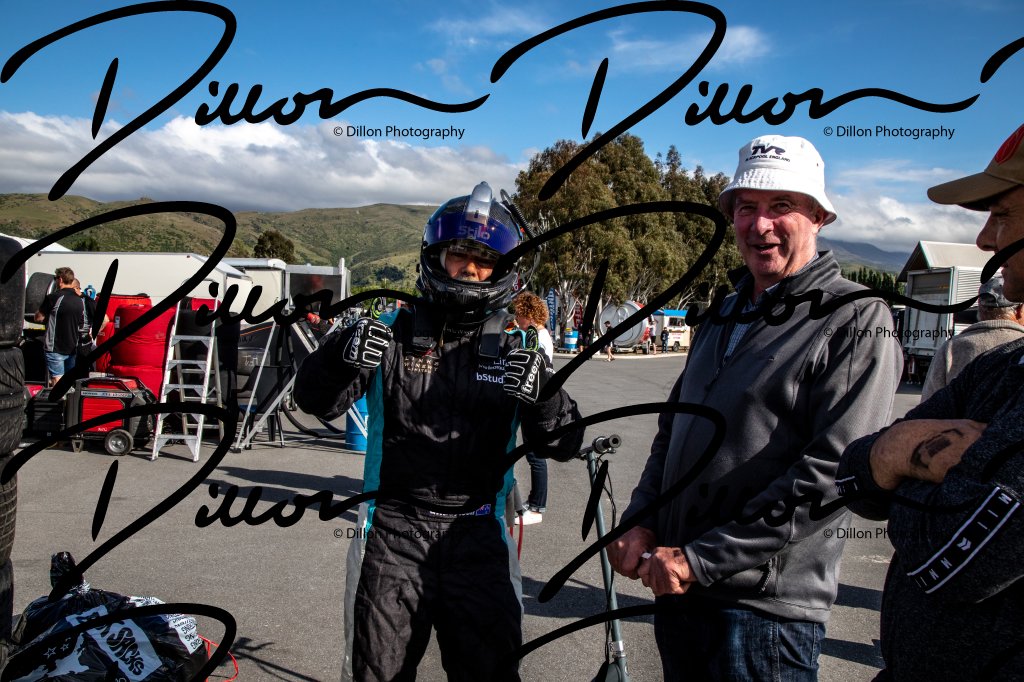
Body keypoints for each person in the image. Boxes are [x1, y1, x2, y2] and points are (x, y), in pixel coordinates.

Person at [608, 135, 903, 681]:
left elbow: (830, 474)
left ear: (819, 216)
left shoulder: (856, 319)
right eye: (746, 207)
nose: (760, 224)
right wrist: (643, 520)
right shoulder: (722, 313)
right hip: (681, 592)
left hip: (763, 615)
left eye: (781, 206)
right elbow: (673, 431)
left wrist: (703, 558)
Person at [294, 182, 583, 682]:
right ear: (436, 257)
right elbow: (314, 400)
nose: (470, 269)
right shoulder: (389, 331)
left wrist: (546, 397)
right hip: (390, 532)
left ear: (504, 270)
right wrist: (339, 356)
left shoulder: (517, 348)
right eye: (459, 255)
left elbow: (564, 444)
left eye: (484, 260)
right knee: (375, 674)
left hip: (481, 533)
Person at [838, 121, 1024, 680]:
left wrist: (897, 461)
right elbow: (850, 477)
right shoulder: (1002, 366)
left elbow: (950, 561)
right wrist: (903, 450)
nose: (985, 240)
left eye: (1002, 215)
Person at [920, 272, 1024, 400]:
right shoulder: (1021, 348)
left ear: (980, 308)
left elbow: (929, 403)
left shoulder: (951, 348)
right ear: (1019, 310)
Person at [512, 292, 554, 525]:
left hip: (536, 402)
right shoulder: (538, 335)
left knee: (536, 456)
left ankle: (537, 508)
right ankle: (535, 503)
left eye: (519, 314)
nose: (516, 319)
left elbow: (537, 370)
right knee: (534, 455)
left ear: (528, 314)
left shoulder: (538, 337)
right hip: (534, 400)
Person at [34, 267, 85, 386]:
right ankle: (68, 398)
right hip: (72, 347)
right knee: (68, 381)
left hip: (55, 347)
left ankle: (61, 398)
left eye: (56, 278)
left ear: (60, 279)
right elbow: (82, 324)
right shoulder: (80, 301)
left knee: (57, 380)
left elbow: (38, 318)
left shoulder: (54, 297)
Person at [71, 278, 111, 371]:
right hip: (67, 344)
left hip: (82, 344)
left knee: (81, 372)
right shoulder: (67, 300)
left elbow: (105, 319)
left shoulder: (88, 301)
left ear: (76, 288)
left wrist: (94, 332)